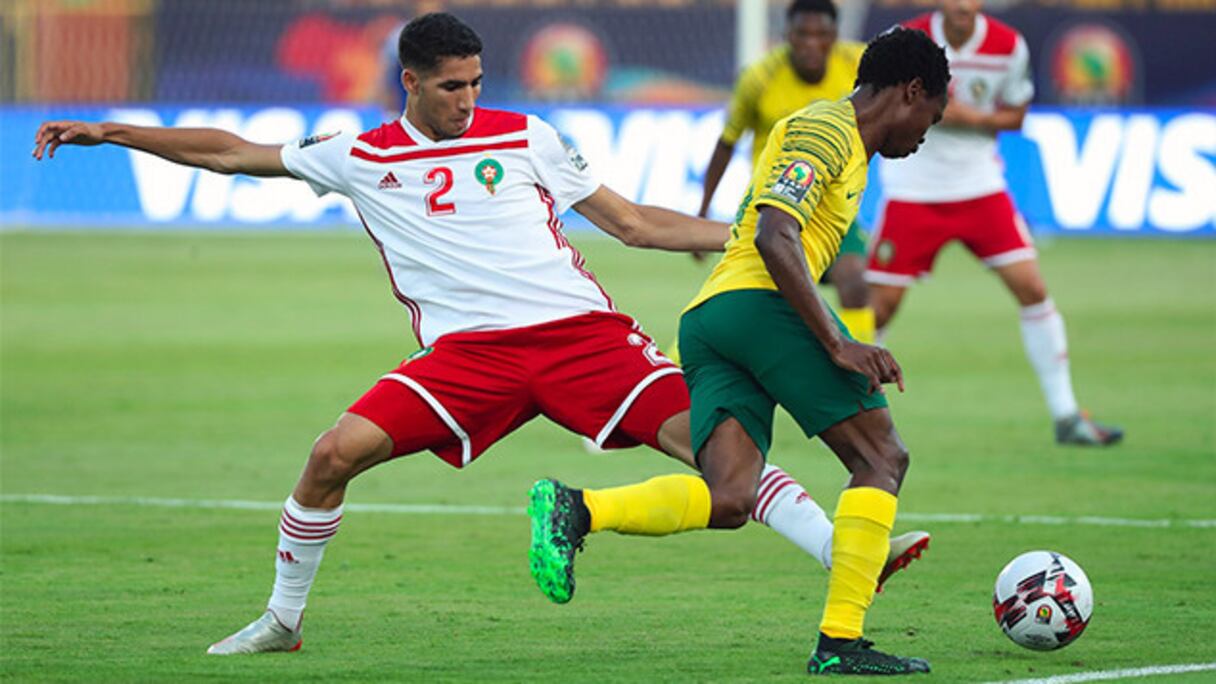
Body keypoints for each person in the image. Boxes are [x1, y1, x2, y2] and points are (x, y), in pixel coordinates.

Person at [32, 12, 925, 656]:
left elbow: (633, 224)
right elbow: (229, 151)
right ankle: (281, 621)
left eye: (476, 83)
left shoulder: (528, 137)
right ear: (411, 82)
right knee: (330, 454)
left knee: (723, 452)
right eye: (450, 86)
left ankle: (851, 557)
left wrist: (749, 240)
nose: (467, 100)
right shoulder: (361, 154)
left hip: (585, 339)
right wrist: (112, 132)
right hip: (464, 359)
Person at [531, 27, 949, 675]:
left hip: (712, 318)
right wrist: (837, 342)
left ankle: (579, 509)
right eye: (933, 116)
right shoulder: (829, 131)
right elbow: (775, 236)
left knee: (732, 496)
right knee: (881, 456)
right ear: (912, 91)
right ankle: (841, 643)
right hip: (761, 307)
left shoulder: (844, 144)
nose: (927, 132)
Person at [867, 0, 1123, 446]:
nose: (963, 6)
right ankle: (843, 409)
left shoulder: (1007, 46)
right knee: (878, 308)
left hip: (979, 187)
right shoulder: (906, 39)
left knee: (1033, 289)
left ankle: (1066, 416)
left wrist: (971, 118)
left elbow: (1017, 115)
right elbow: (876, 105)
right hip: (913, 190)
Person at [698, 0, 875, 344]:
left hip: (831, 205)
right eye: (802, 34)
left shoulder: (857, 66)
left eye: (821, 34)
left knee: (854, 281)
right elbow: (726, 144)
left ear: (834, 36)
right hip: (772, 206)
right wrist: (704, 207)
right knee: (745, 294)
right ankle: (687, 359)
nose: (811, 43)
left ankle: (864, 368)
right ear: (787, 36)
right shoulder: (759, 78)